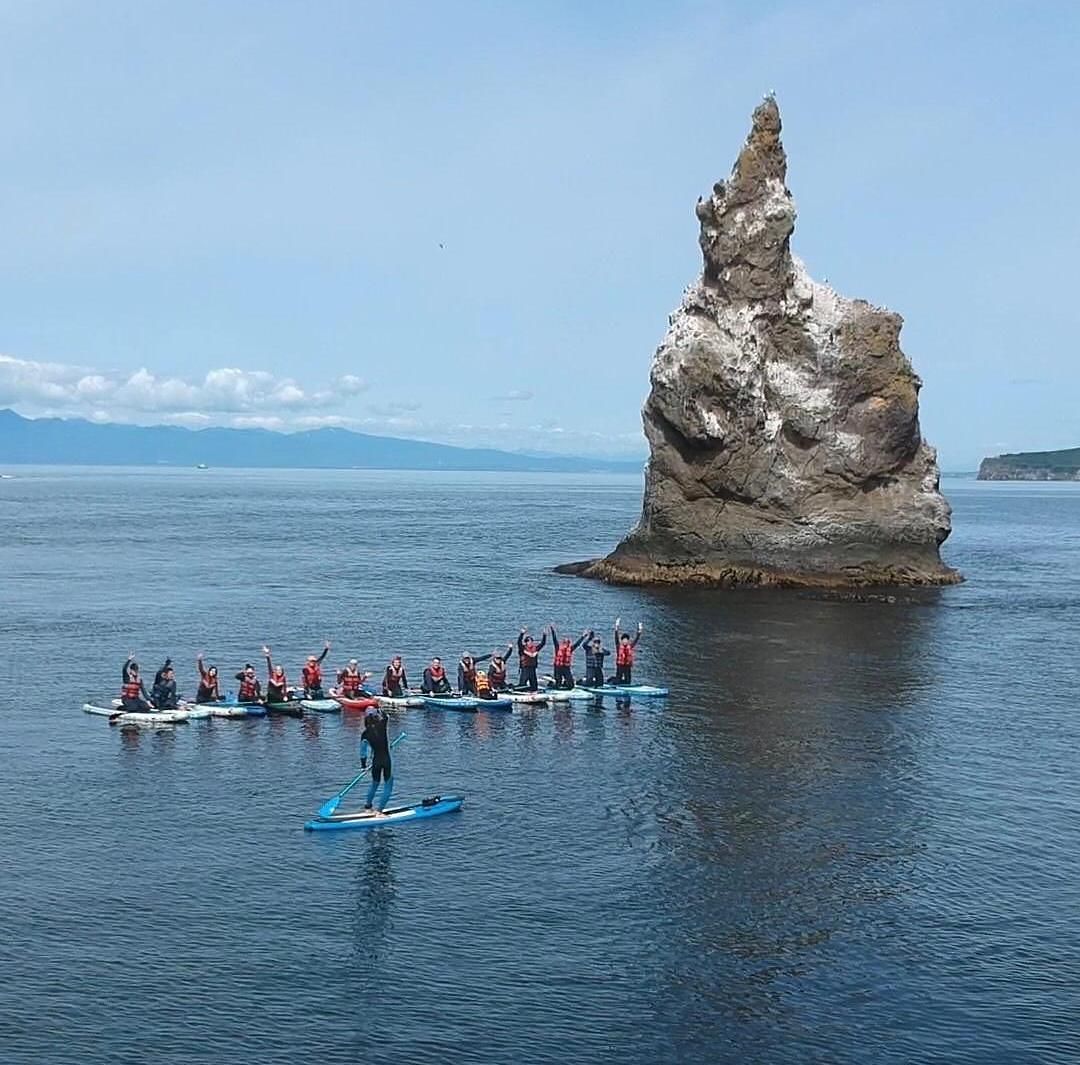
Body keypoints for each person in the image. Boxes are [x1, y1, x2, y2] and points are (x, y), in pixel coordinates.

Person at [359, 707, 393, 814]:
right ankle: (380, 811)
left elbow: (363, 753)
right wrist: (379, 708)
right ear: (376, 716)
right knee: (388, 784)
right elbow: (386, 715)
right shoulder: (382, 725)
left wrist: (363, 766)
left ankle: (368, 806)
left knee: (375, 783)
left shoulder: (364, 734)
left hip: (376, 762)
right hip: (386, 760)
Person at [611, 617, 644, 685]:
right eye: (624, 640)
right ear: (622, 640)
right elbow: (616, 637)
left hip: (627, 665)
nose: (625, 641)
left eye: (626, 640)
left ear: (628, 641)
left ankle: (625, 684)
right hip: (620, 665)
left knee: (628, 680)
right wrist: (616, 627)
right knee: (618, 680)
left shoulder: (630, 646)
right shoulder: (618, 646)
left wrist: (639, 630)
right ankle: (613, 681)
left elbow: (636, 639)